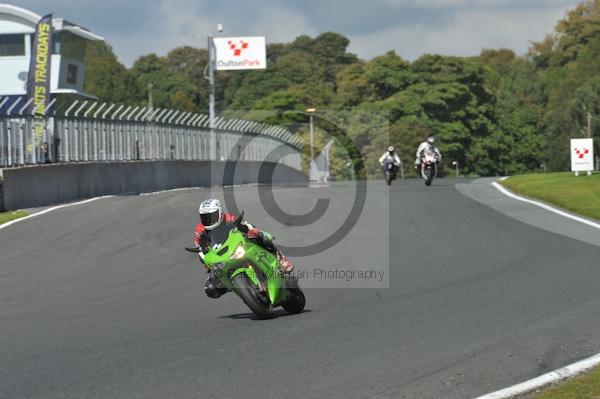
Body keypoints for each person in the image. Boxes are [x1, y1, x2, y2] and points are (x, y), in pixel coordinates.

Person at [193, 199, 293, 299]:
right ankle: (239, 288)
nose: (208, 220)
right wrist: (204, 254)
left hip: (236, 248)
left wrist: (252, 231)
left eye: (212, 216)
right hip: (221, 260)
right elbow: (200, 251)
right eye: (204, 217)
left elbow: (247, 226)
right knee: (210, 289)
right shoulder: (199, 230)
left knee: (263, 238)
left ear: (220, 213)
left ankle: (281, 260)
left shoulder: (228, 218)